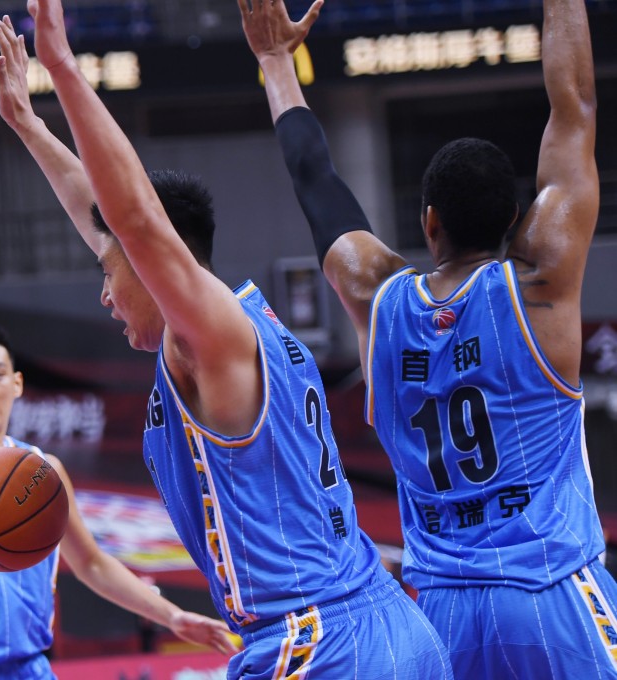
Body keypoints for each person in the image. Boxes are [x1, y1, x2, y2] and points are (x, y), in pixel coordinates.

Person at [0, 7, 452, 678]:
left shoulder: (208, 338)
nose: (104, 293)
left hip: (320, 640)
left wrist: (63, 70)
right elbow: (110, 224)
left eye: (108, 272)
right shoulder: (230, 323)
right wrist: (29, 125)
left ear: (156, 264)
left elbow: (135, 223)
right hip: (370, 621)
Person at [240, 0, 617, 676]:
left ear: (428, 221)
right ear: (513, 217)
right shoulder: (540, 285)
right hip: (550, 593)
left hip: (440, 612)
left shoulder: (375, 299)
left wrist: (275, 62)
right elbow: (575, 109)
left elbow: (315, 180)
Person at [0, 321, 236, 679]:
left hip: (28, 668)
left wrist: (172, 617)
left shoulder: (45, 470)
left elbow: (91, 564)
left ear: (17, 384)